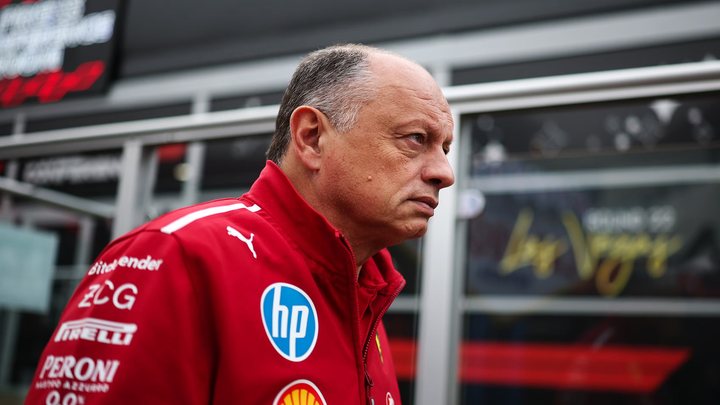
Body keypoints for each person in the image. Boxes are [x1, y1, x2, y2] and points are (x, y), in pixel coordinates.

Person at [25, 43, 454, 405]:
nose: (444, 173)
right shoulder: (173, 253)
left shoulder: (366, 289)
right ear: (311, 137)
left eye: (445, 149)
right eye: (416, 139)